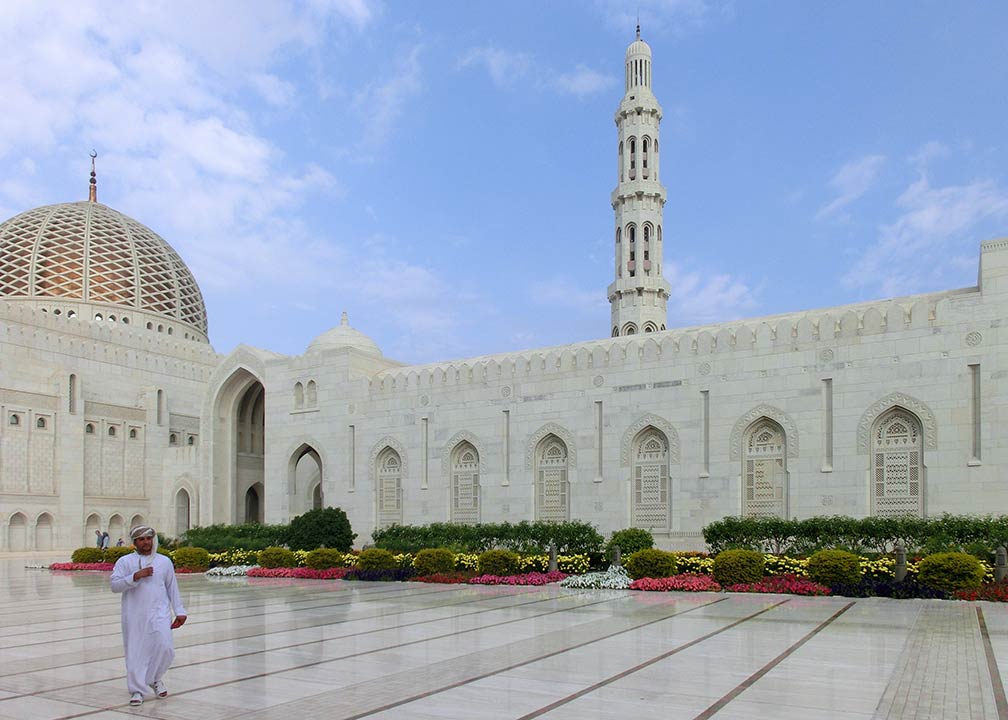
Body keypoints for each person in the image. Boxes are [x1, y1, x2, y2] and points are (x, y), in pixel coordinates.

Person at [110, 526, 187, 706]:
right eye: (141, 539)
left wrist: (180, 611)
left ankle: (154, 678)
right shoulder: (125, 561)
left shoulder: (164, 562)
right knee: (136, 653)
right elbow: (114, 585)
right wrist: (134, 576)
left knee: (166, 648)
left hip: (160, 613)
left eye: (148, 538)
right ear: (135, 542)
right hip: (134, 614)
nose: (146, 542)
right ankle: (137, 690)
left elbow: (171, 587)